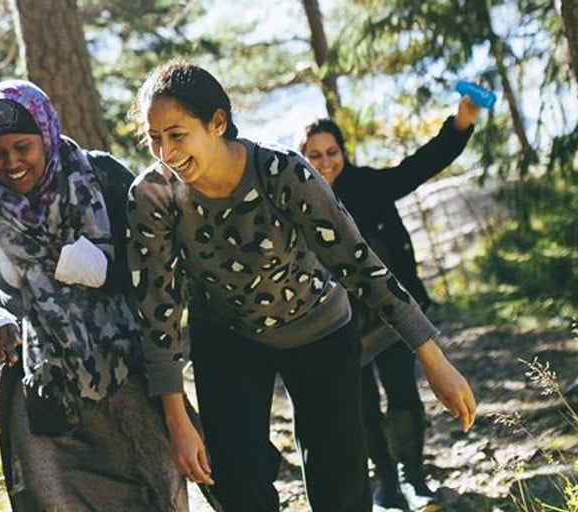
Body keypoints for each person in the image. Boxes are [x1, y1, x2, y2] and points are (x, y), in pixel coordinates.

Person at [125, 60, 477, 512]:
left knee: (341, 488)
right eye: (154, 138)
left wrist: (432, 357)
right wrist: (178, 419)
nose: (165, 152)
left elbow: (358, 262)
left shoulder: (282, 172)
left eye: (177, 135)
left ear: (217, 123)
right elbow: (158, 308)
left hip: (319, 329)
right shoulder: (152, 196)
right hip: (227, 336)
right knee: (238, 485)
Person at [0, 79, 192, 511]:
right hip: (47, 402)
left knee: (157, 499)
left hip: (133, 383)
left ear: (46, 134)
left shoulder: (102, 177)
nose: (11, 162)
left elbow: (160, 267)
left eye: (22, 146)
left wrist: (105, 272)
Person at [297, 97, 481, 510]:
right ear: (302, 157)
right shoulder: (297, 199)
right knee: (362, 408)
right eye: (314, 155)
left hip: (390, 314)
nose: (325, 163)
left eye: (331, 152)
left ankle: (413, 477)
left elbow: (420, 165)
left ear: (343, 152)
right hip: (337, 324)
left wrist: (459, 125)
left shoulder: (367, 184)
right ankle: (386, 484)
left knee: (402, 396)